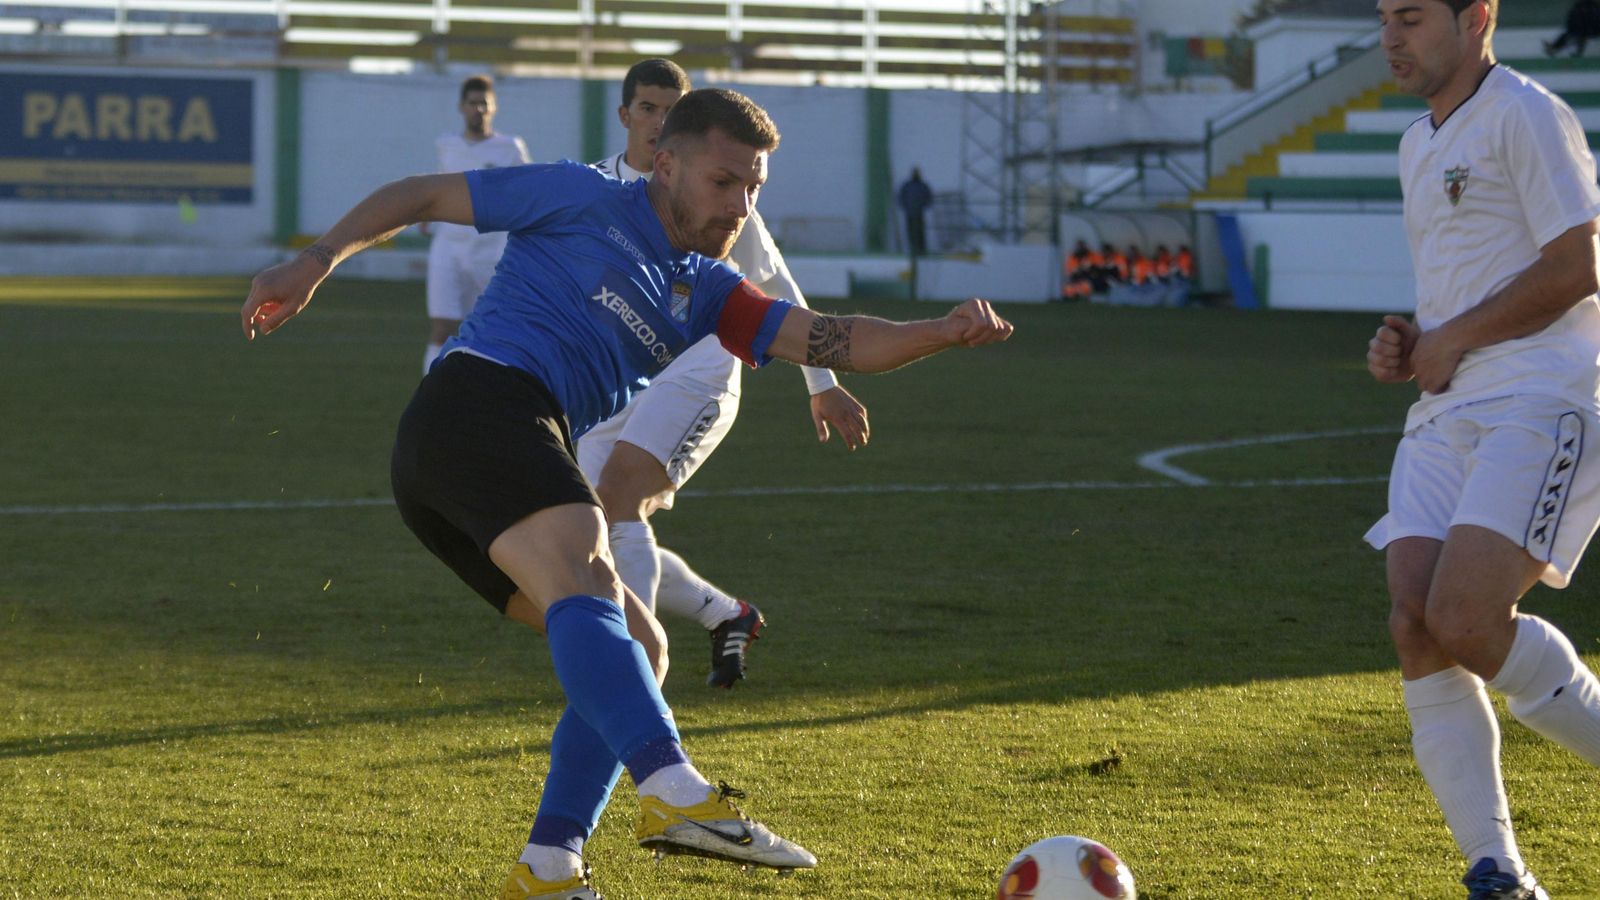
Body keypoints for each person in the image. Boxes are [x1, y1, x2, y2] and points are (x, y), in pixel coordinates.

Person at [239, 88, 1013, 900]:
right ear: (667, 162)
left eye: (754, 188)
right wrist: (316, 257)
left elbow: (835, 338)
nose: (740, 204)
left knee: (638, 650)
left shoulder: (711, 291)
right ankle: (674, 789)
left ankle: (550, 868)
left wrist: (940, 332)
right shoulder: (580, 194)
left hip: (461, 474)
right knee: (591, 578)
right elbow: (427, 194)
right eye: (724, 182)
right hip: (479, 404)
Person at [1366, 1, 1600, 896]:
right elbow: (1456, 295)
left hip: (1538, 397)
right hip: (1443, 410)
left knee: (1466, 620)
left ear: (1478, 17)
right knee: (1416, 623)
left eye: (1414, 15)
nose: (1392, 35)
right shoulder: (1414, 142)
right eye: (1384, 17)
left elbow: (1579, 264)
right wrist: (1408, 340)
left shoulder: (1527, 111)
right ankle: (1497, 869)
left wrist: (1455, 334)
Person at [585, 59, 870, 688]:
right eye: (648, 109)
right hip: (621, 373)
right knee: (588, 522)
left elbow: (776, 287)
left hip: (701, 370)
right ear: (626, 114)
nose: (659, 122)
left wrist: (820, 383)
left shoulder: (718, 194)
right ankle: (726, 615)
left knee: (621, 496)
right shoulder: (597, 188)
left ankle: (629, 684)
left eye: (671, 109)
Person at [423, 75, 531, 373]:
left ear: (494, 107)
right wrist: (427, 213)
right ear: (461, 106)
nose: (478, 109)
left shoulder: (510, 147)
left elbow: (525, 194)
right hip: (448, 249)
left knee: (492, 326)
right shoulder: (447, 145)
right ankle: (430, 393)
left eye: (484, 103)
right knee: (442, 325)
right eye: (472, 103)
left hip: (490, 251)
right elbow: (441, 183)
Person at [896, 167, 933, 256]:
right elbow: (901, 197)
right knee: (911, 231)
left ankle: (921, 249)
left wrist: (924, 205)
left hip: (919, 212)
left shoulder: (922, 185)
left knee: (920, 231)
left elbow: (928, 197)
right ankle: (913, 249)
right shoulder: (908, 185)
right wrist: (905, 206)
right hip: (910, 212)